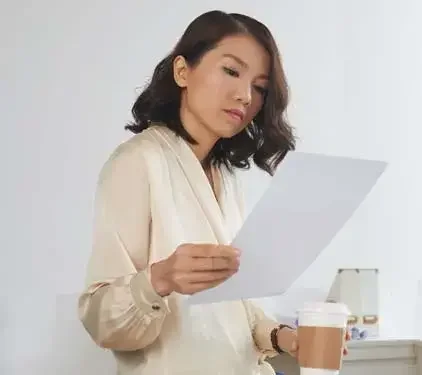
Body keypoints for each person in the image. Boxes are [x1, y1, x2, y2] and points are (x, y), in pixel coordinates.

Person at [77, 10, 347, 374]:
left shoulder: (225, 175)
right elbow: (101, 321)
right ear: (182, 71)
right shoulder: (138, 163)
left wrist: (283, 337)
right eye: (232, 71)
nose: (244, 96)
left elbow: (232, 307)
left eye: (260, 87)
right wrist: (161, 279)